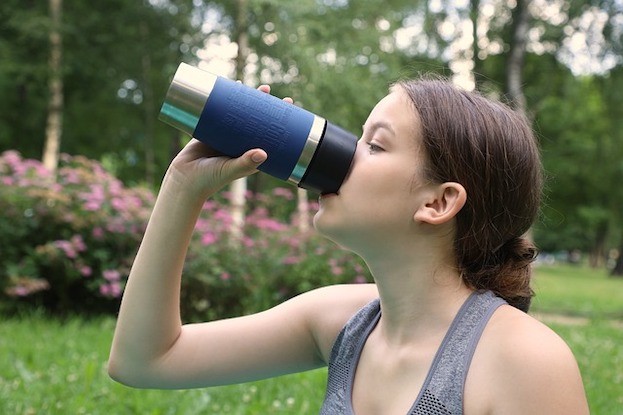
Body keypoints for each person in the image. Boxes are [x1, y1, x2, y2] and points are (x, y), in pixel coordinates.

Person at [108, 78, 589, 414]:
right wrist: (182, 186)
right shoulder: (342, 320)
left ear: (439, 202)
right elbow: (143, 361)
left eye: (375, 146)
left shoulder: (524, 361)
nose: (345, 156)